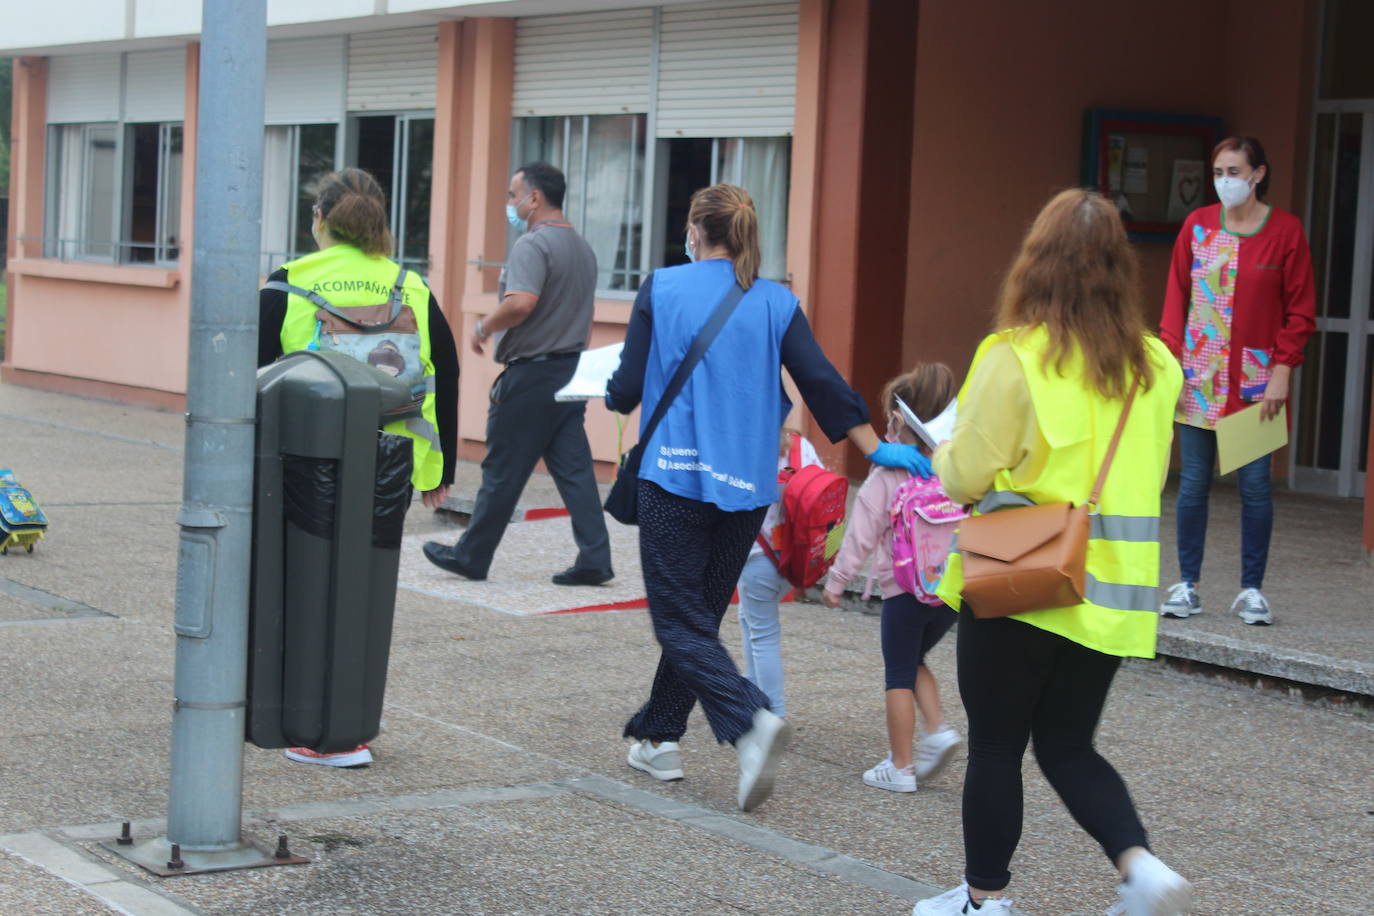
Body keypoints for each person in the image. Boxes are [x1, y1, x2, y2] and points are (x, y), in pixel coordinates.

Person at [605, 183, 931, 812]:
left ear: (695, 231)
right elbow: (823, 382)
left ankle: (750, 721)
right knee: (698, 614)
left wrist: (612, 391)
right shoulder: (776, 303)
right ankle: (659, 737)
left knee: (677, 618)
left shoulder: (662, 288)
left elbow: (623, 387)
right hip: (747, 489)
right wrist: (874, 447)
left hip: (673, 479)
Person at [913, 189, 1190, 916]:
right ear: (1119, 267)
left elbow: (966, 475)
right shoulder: (1158, 367)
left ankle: (984, 902)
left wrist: (942, 449)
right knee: (1068, 745)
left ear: (1036, 262)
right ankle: (1140, 865)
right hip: (1112, 595)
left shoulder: (1012, 358)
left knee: (998, 744)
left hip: (1023, 574)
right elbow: (1154, 474)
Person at [258, 167, 460, 768]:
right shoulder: (409, 284)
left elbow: (258, 372)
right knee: (363, 591)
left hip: (303, 460)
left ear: (319, 220)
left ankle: (309, 726)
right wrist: (438, 468)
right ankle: (348, 727)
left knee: (300, 587)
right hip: (389, 458)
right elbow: (442, 372)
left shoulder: (288, 281)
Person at [422, 161, 613, 586]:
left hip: (531, 376)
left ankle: (471, 556)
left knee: (502, 469)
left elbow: (521, 302)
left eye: (513, 195)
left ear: (535, 198)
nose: (510, 203)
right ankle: (595, 557)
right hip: (569, 371)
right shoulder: (582, 248)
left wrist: (482, 327)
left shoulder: (533, 245)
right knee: (575, 470)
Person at [1158, 136, 1316, 626]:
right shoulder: (1197, 225)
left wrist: (1282, 371)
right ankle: (1188, 584)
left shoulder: (1285, 231)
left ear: (1258, 174)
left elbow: (1301, 310)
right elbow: (1175, 299)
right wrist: (1172, 366)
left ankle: (1252, 590)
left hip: (1256, 384)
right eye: (1218, 171)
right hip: (1198, 376)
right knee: (1192, 487)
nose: (1224, 180)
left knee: (1254, 489)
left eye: (1233, 171)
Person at [820, 364, 960, 794]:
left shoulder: (887, 476)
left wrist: (836, 581)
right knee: (914, 658)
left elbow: (860, 536)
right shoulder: (954, 468)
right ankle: (937, 730)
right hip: (951, 591)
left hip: (904, 590)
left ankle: (900, 767)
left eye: (889, 418)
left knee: (898, 672)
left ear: (900, 420)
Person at [734, 427, 822, 721]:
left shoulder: (742, 443)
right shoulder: (800, 446)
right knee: (749, 618)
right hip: (797, 555)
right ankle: (752, 690)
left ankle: (773, 714)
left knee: (763, 634)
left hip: (758, 555)